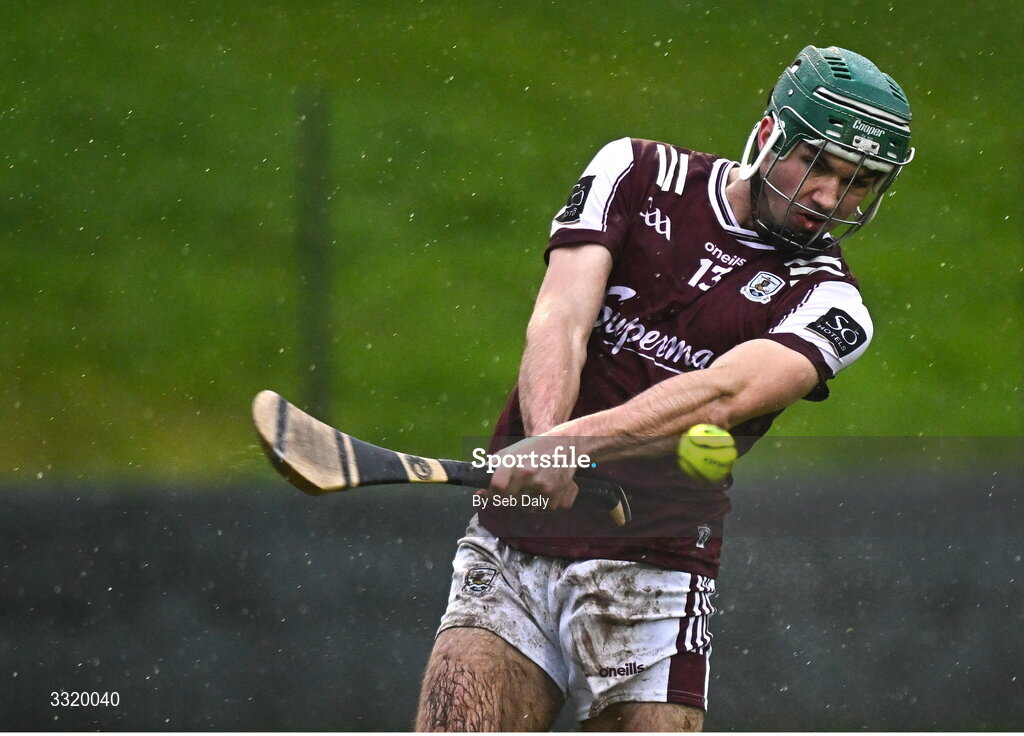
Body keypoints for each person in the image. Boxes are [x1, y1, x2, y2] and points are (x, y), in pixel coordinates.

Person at [415, 45, 914, 732]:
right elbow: (561, 318)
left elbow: (722, 394)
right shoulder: (638, 171)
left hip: (654, 572)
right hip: (515, 548)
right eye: (818, 164)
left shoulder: (833, 305)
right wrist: (544, 447)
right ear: (768, 135)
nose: (829, 198)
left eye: (859, 182)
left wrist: (566, 449)